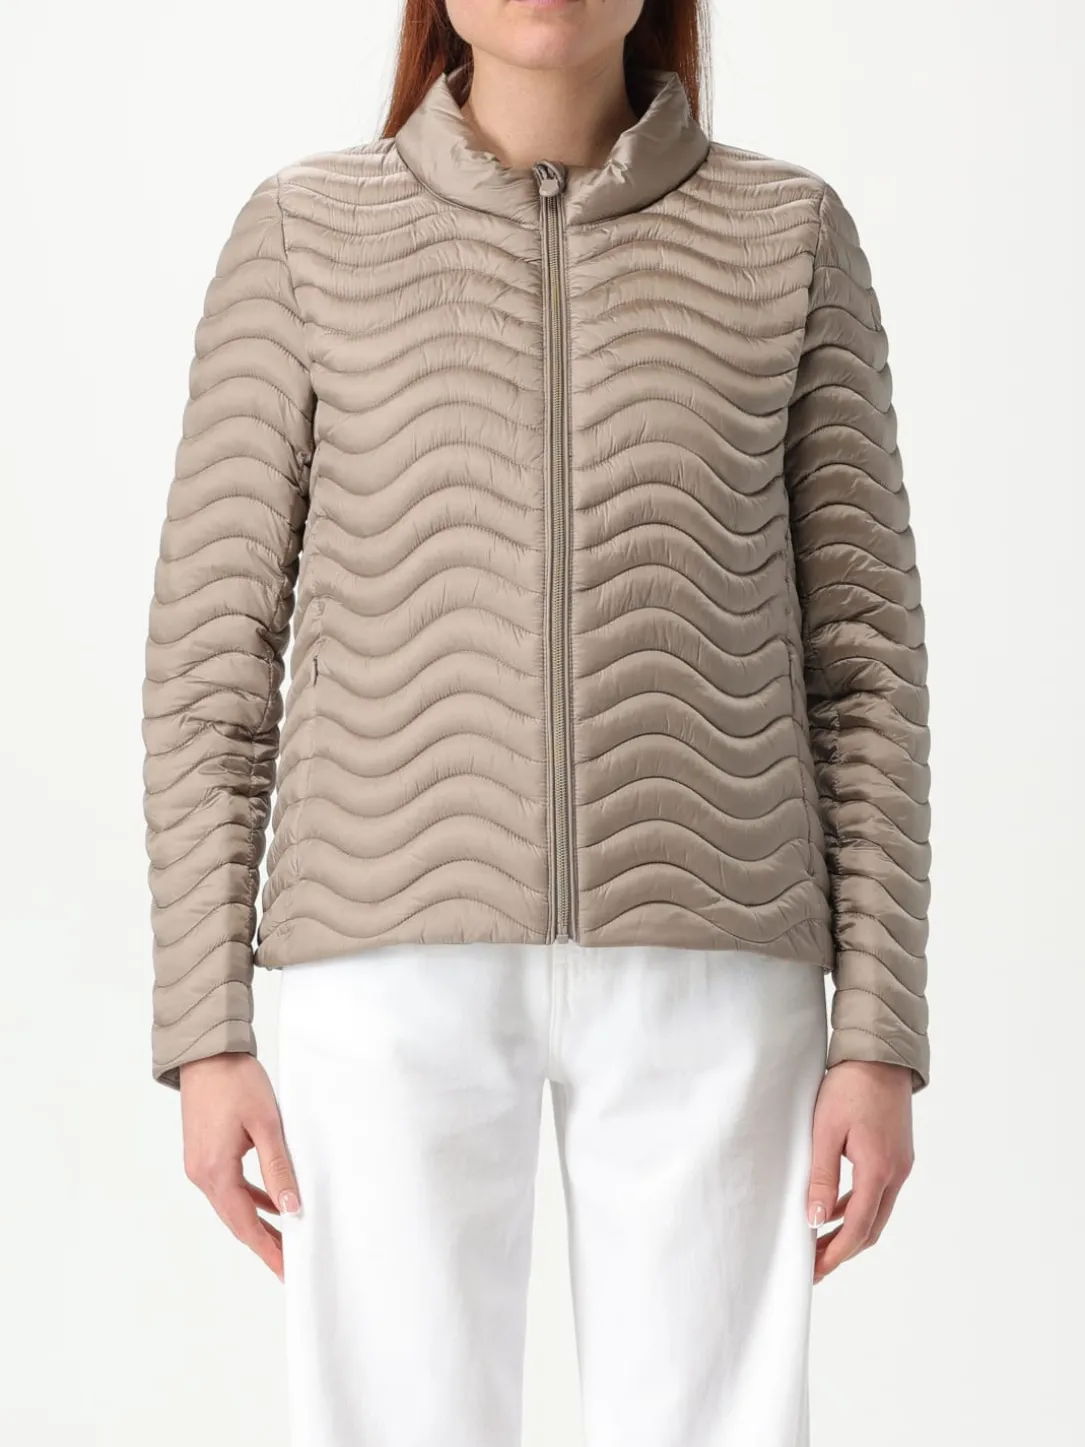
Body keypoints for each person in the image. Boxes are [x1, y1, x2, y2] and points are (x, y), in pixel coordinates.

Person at [141, 1, 931, 1442]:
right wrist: (207, 1030)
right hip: (384, 964)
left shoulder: (791, 236)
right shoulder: (305, 235)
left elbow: (865, 667)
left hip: (713, 961)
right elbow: (212, 658)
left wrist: (878, 1035)